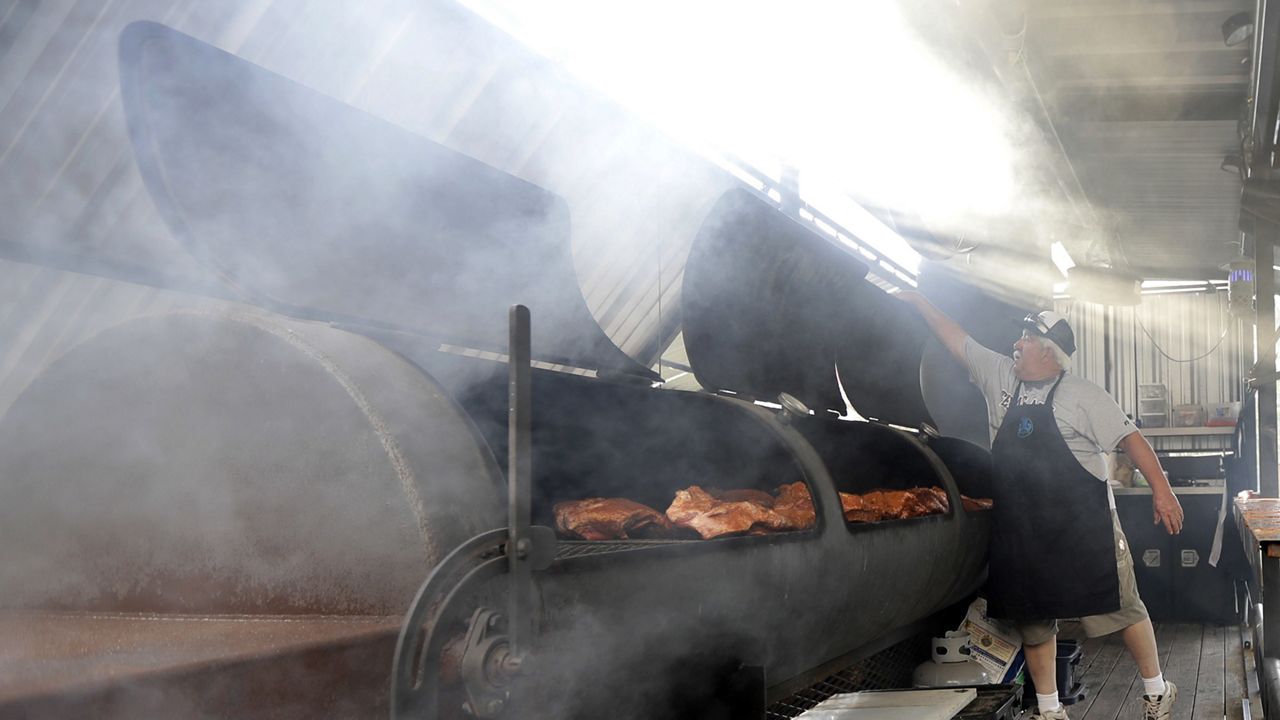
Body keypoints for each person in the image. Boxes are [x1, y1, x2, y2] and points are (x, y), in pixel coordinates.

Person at [898, 292, 1184, 720]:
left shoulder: (1084, 395)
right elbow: (957, 340)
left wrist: (1163, 490)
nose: (1017, 343)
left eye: (1027, 338)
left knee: (1121, 607)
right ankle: (1050, 711)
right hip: (1024, 527)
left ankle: (1156, 692)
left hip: (1085, 526)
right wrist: (920, 301)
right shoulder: (999, 375)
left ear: (1049, 353)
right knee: (1032, 618)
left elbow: (1131, 440)